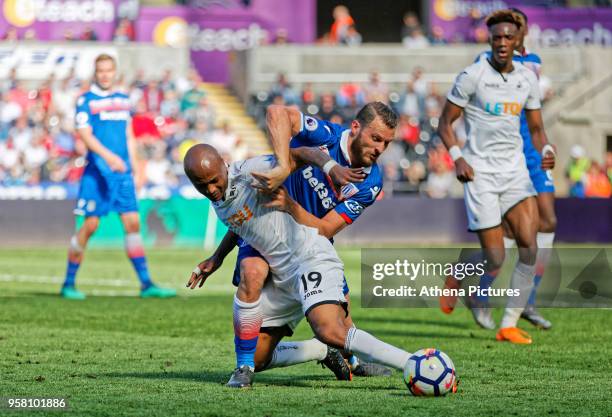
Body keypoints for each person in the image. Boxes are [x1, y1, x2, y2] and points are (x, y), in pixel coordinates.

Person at [184, 144, 418, 390]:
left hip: (309, 257)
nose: (210, 189)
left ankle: (413, 363)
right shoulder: (221, 193)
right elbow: (240, 220)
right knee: (257, 357)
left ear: (224, 162)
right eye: (201, 186)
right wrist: (217, 258)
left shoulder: (251, 171)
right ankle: (316, 351)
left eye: (213, 181)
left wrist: (332, 168)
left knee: (330, 329)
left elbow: (299, 153)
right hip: (281, 277)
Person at [437, 10, 556, 344]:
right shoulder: (472, 75)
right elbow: (444, 122)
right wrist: (457, 157)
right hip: (480, 174)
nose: (502, 43)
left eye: (507, 37)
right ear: (489, 40)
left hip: (516, 173)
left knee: (529, 247)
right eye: (496, 38)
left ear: (518, 39)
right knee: (495, 257)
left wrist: (546, 150)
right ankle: (459, 274)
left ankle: (508, 324)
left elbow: (536, 128)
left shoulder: (527, 78)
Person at [60, 54, 176, 300]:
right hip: (98, 173)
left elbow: (128, 134)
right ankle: (68, 283)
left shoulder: (123, 100)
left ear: (114, 72)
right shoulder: (86, 100)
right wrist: (108, 157)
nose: (105, 75)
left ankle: (146, 284)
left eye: (108, 70)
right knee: (90, 226)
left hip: (122, 174)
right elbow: (85, 134)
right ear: (96, 72)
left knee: (133, 224)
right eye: (100, 71)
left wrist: (136, 166)